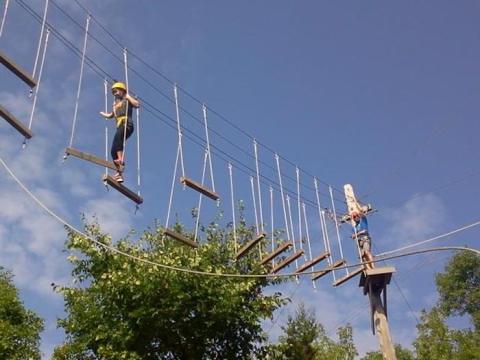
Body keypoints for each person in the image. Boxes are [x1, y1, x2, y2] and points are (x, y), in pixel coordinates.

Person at [100, 81, 140, 183]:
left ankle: (121, 160)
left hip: (127, 124)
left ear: (122, 91)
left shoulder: (127, 100)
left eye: (116, 91)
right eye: (113, 92)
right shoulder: (116, 105)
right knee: (113, 150)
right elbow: (111, 115)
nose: (115, 93)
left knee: (118, 139)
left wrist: (128, 97)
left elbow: (137, 105)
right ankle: (119, 173)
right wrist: (104, 114)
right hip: (120, 126)